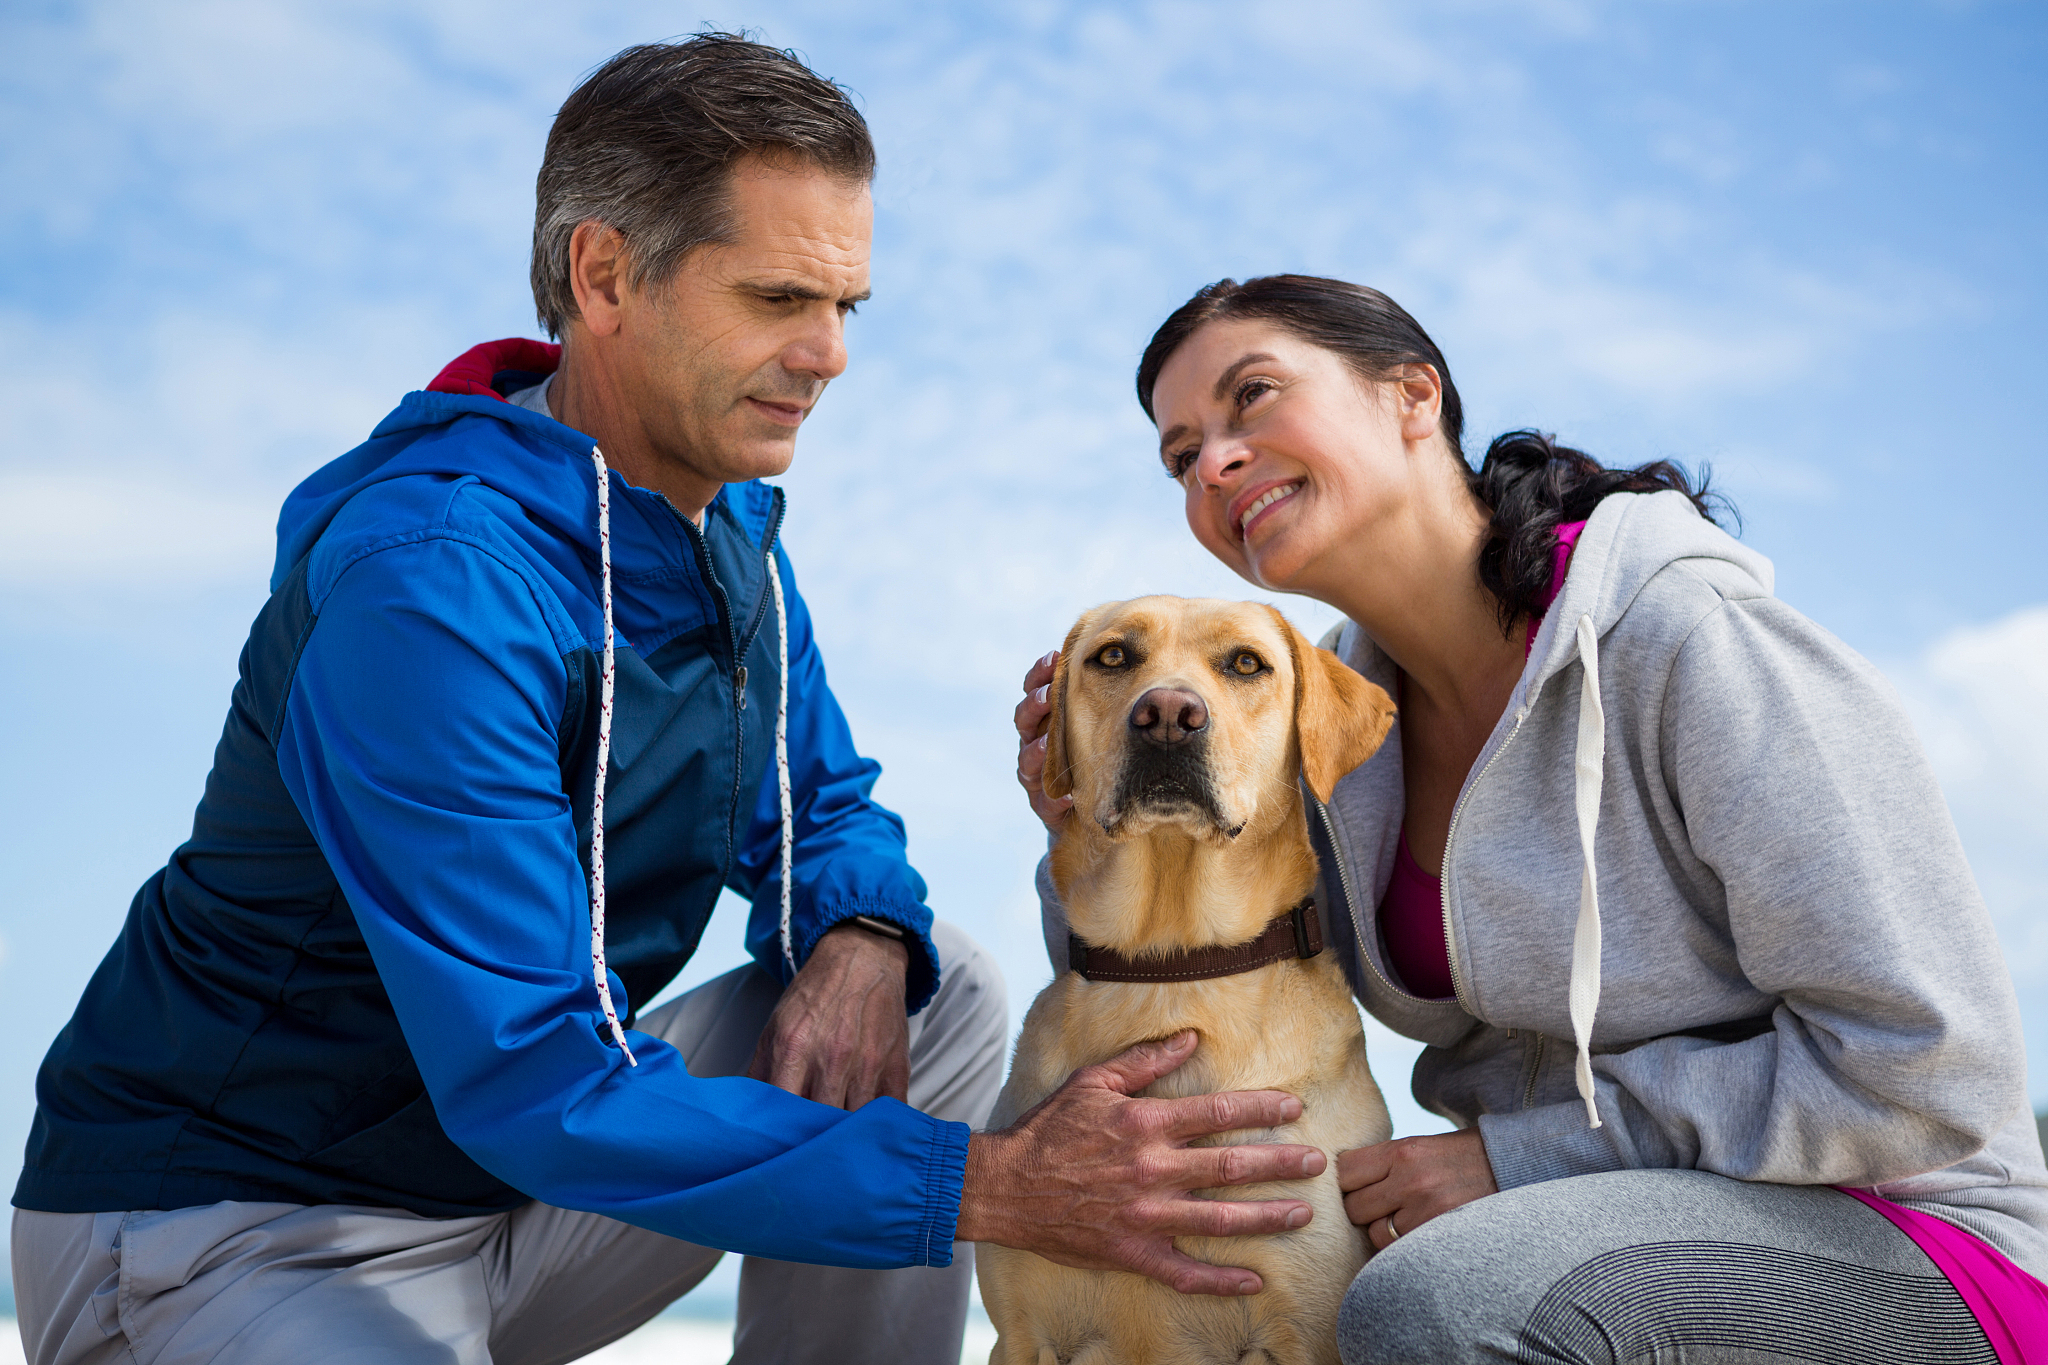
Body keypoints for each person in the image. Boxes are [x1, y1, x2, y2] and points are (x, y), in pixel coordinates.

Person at [10, 39, 1329, 1365]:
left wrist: (860, 931)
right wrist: (996, 1188)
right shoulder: (431, 585)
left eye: (846, 308)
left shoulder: (729, 530)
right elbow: (534, 1077)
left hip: (516, 1197)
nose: (826, 356)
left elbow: (826, 805)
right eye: (775, 298)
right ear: (606, 276)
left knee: (934, 997)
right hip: (248, 1218)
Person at [1015, 274, 2048, 1362]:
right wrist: (1081, 820)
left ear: (1412, 395)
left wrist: (1518, 1157)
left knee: (1436, 1300)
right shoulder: (1315, 722)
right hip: (1564, 1218)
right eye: (1181, 455)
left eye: (1253, 396)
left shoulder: (1690, 643)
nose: (1214, 461)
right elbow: (1190, 962)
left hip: (1911, 1239)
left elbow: (1927, 1069)